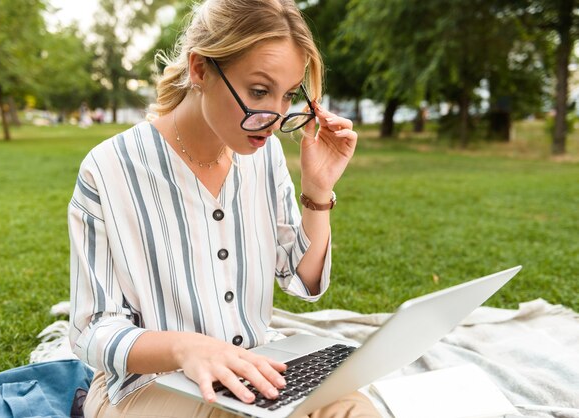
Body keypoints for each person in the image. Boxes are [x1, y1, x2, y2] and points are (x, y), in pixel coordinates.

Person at [68, 0, 380, 416]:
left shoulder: (265, 158)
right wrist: (186, 348)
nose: (274, 117)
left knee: (358, 410)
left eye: (288, 95)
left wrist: (318, 191)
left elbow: (301, 278)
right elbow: (91, 330)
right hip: (148, 386)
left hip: (256, 369)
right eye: (258, 91)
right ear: (200, 70)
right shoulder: (108, 169)